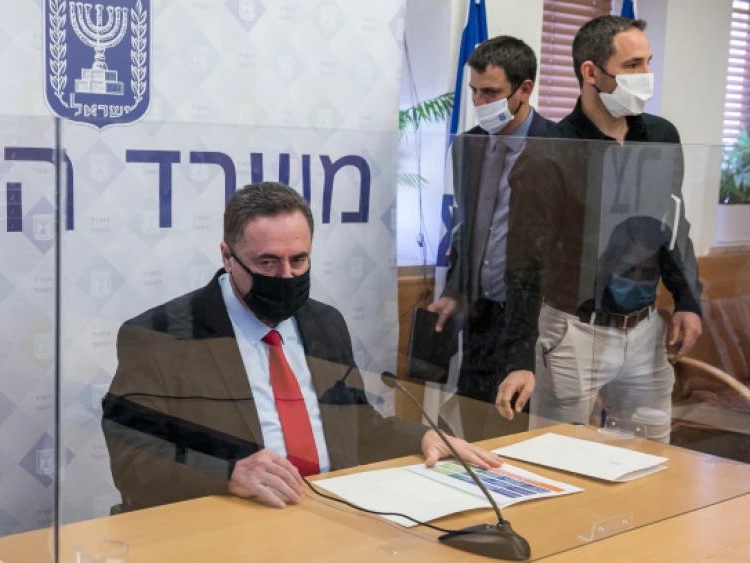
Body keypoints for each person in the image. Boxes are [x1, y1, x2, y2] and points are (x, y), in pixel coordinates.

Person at [102, 182, 502, 512]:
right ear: (227, 256)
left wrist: (421, 439)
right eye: (267, 263)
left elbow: (358, 428)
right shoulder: (159, 337)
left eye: (299, 260)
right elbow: (133, 460)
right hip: (234, 524)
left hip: (336, 514)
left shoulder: (325, 323)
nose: (286, 275)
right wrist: (227, 473)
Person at [496, 16, 703, 439]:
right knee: (560, 460)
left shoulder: (660, 136)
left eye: (647, 63)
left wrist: (688, 299)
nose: (645, 76)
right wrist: (518, 358)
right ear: (590, 72)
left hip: (645, 331)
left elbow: (673, 225)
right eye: (632, 66)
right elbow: (523, 264)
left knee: (652, 461)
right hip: (573, 332)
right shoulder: (550, 152)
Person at [427, 36, 554, 440]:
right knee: (475, 431)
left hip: (535, 317)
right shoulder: (467, 144)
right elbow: (467, 228)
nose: (481, 102)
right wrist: (455, 290)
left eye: (492, 92)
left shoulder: (560, 148)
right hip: (481, 314)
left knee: (522, 437)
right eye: (475, 92)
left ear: (525, 89)